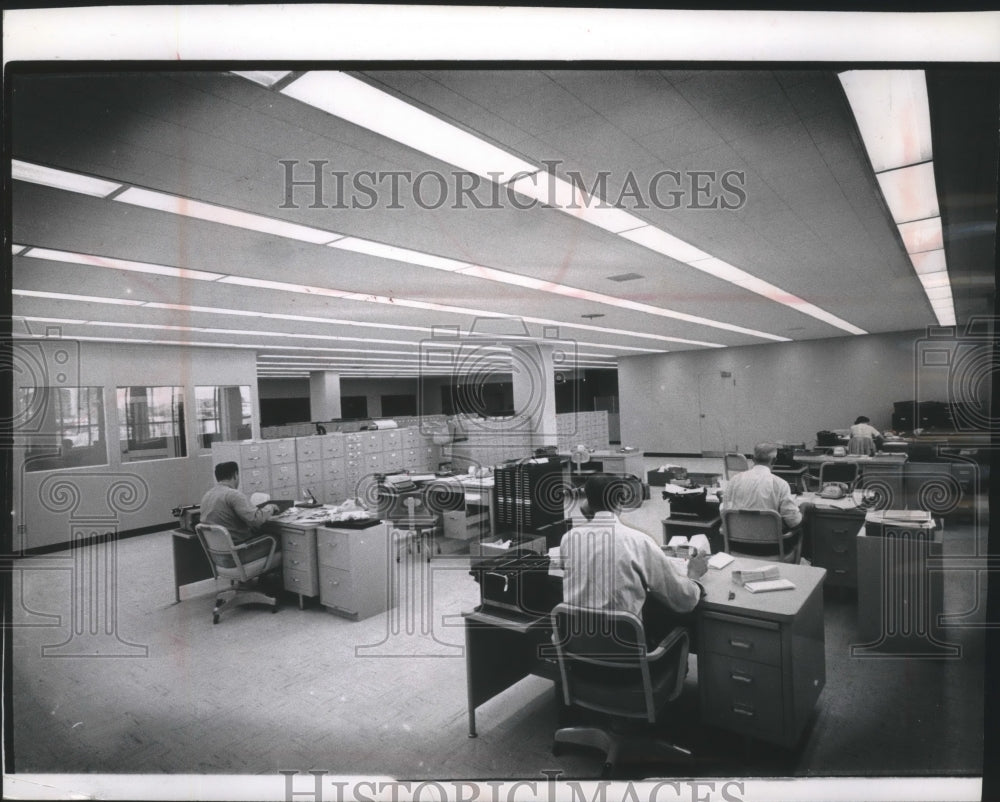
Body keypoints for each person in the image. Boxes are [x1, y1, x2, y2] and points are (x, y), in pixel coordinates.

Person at [560, 473, 708, 647]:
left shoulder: (569, 539)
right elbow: (684, 600)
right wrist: (694, 575)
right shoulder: (639, 541)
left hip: (579, 654)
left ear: (587, 501)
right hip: (627, 664)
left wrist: (590, 513)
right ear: (622, 499)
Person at [720, 442, 809, 556]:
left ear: (752, 459)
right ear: (774, 461)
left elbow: (724, 512)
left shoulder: (734, 481)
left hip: (737, 548)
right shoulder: (780, 484)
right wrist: (804, 509)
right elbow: (794, 523)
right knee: (805, 517)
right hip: (771, 551)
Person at [199, 461, 282, 564]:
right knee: (280, 540)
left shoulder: (207, 495)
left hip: (218, 557)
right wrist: (270, 507)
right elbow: (256, 520)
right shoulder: (233, 495)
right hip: (238, 555)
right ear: (235, 475)